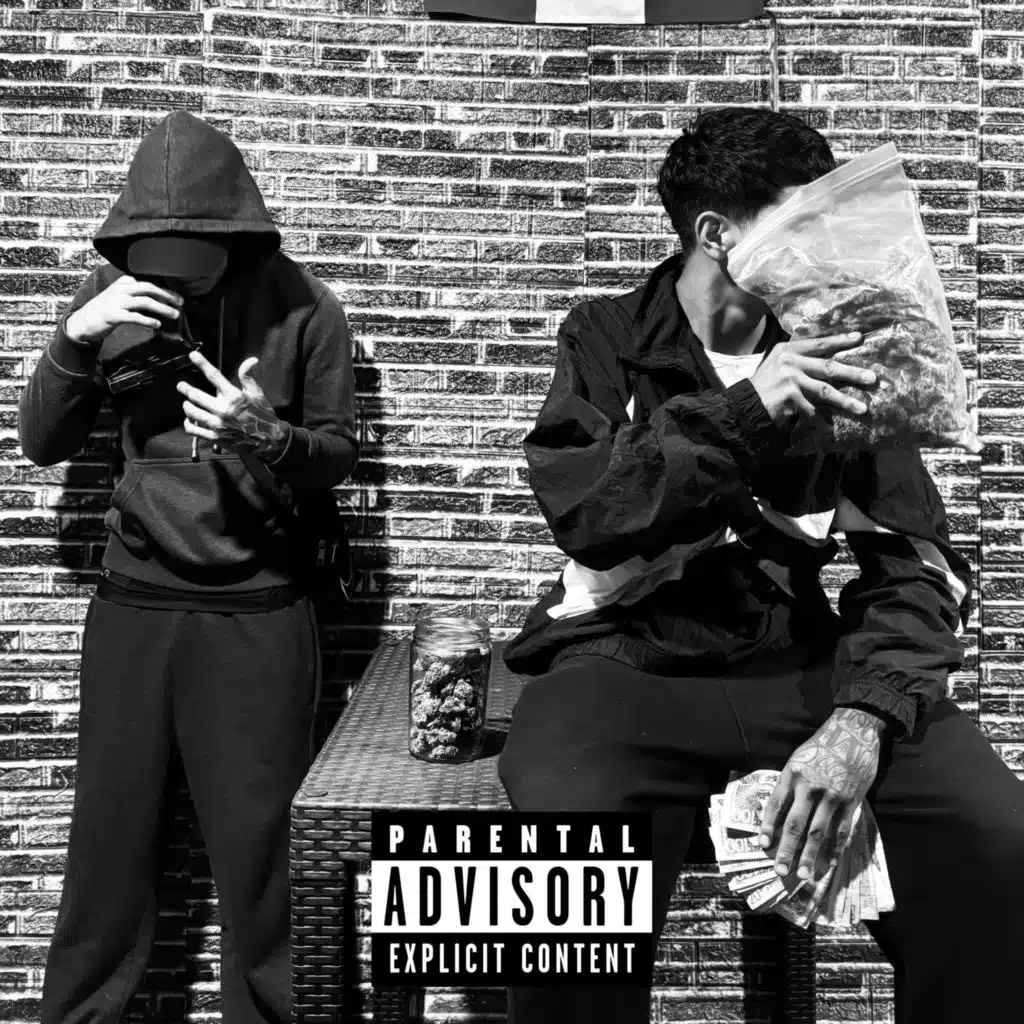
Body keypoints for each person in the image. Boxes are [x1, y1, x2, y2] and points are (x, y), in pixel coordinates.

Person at [497, 107, 1023, 1024]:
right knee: (560, 868)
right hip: (625, 662)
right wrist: (748, 412)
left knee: (998, 839)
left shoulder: (846, 348)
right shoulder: (608, 334)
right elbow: (587, 513)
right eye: (803, 219)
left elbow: (915, 562)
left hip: (794, 663)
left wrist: (862, 719)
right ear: (718, 233)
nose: (828, 243)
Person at [18, 111, 358, 1024]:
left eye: (190, 265)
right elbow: (40, 443)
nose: (168, 283)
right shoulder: (111, 292)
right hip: (135, 602)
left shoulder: (306, 307)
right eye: (152, 261)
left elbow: (336, 453)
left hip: (260, 609)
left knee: (265, 859)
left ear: (232, 239)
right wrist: (74, 337)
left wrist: (266, 435)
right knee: (106, 853)